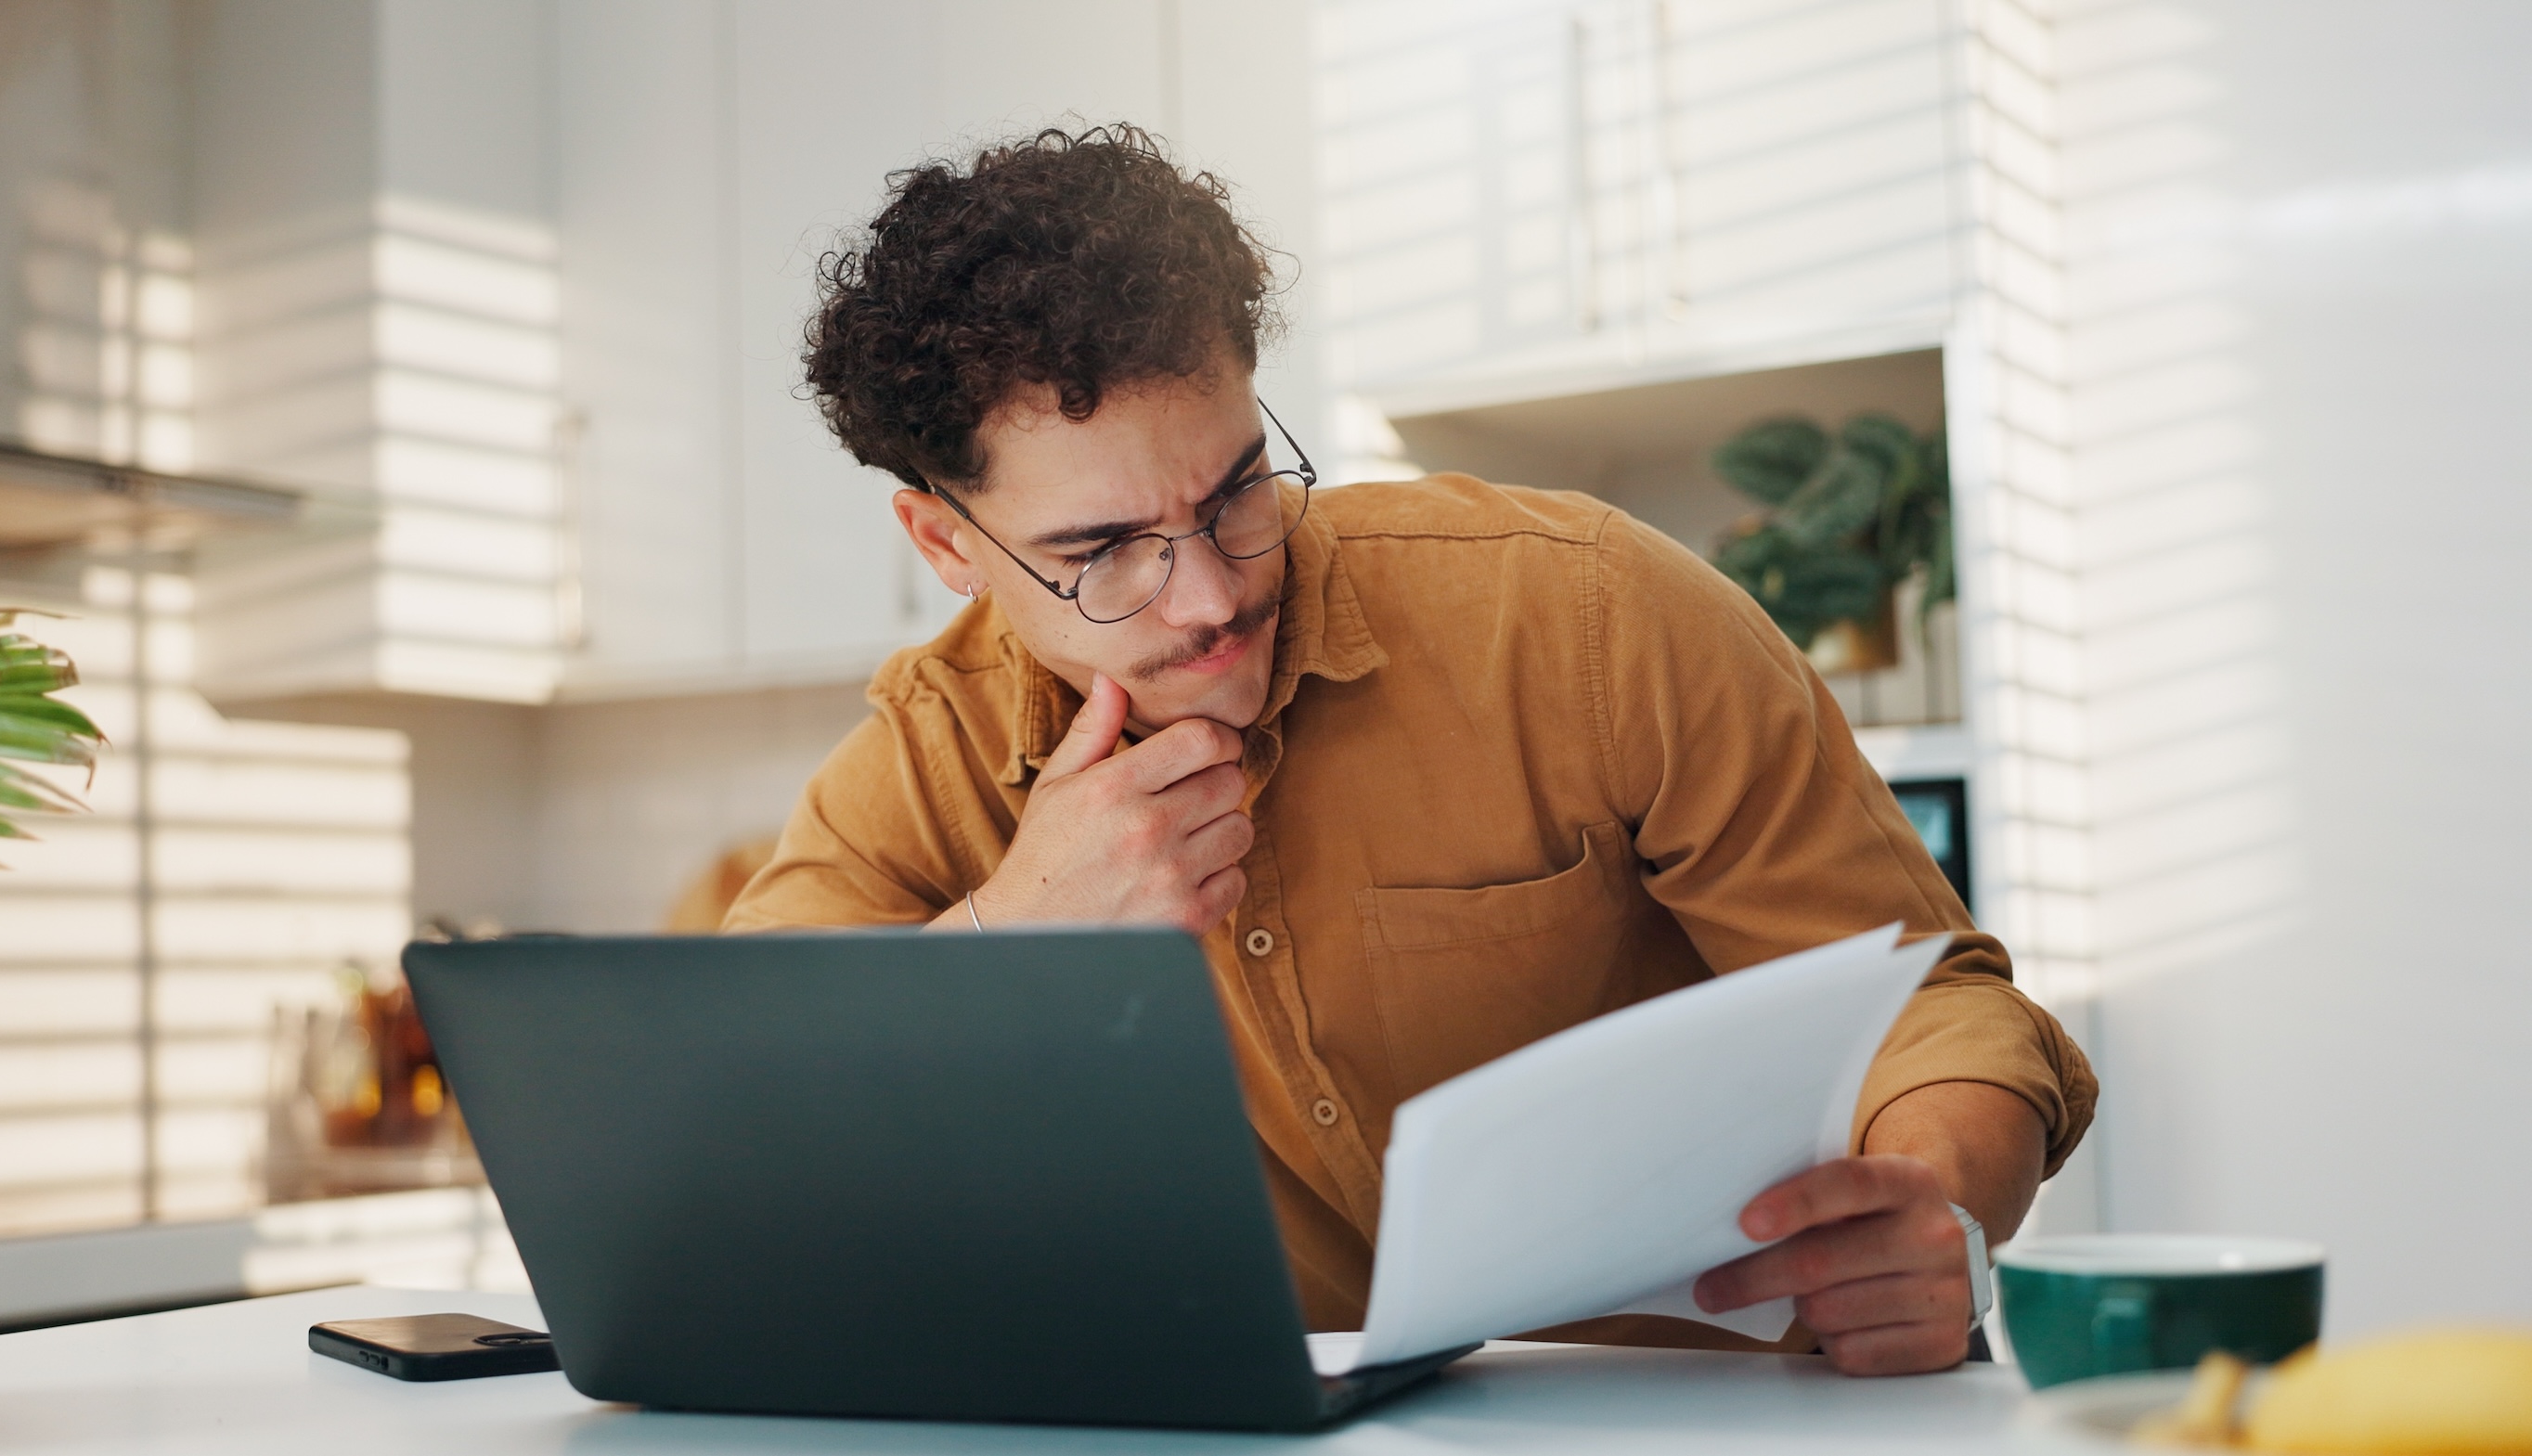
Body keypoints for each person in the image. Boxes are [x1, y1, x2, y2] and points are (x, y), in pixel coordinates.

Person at [726, 124, 2096, 1376]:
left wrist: (1946, 1218)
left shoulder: (1587, 616)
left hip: (1698, 1413)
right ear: (948, 544)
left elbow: (1943, 1003)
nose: (1208, 595)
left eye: (1235, 492)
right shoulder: (932, 746)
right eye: (1102, 553)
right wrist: (1014, 938)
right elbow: (717, 1134)